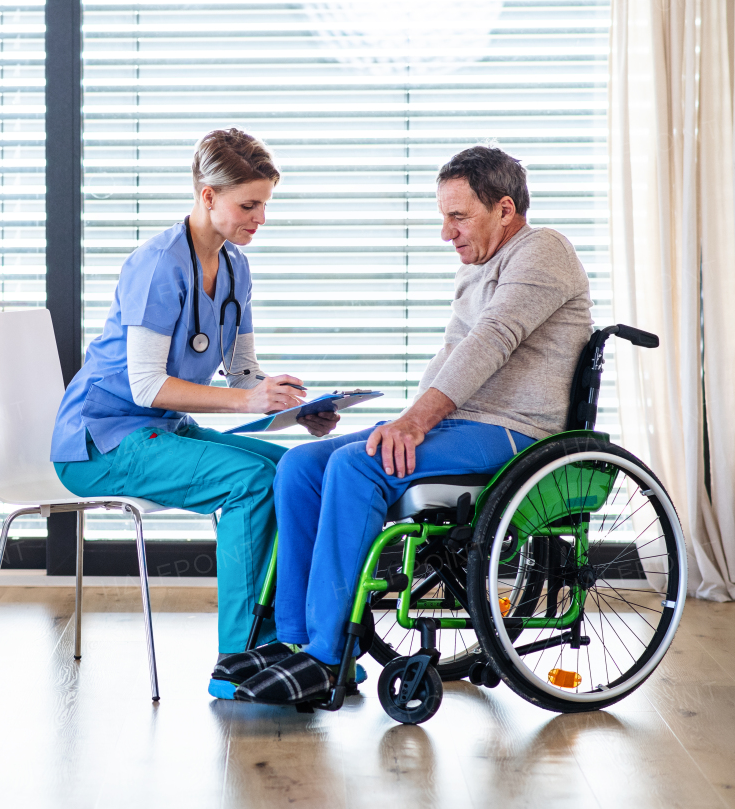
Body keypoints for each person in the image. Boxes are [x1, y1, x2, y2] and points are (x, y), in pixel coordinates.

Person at [213, 144, 594, 705]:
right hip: (461, 426)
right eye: (444, 217)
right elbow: (451, 357)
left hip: (516, 432)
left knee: (355, 466)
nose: (447, 233)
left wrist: (414, 424)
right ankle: (296, 643)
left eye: (458, 217)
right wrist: (404, 421)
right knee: (300, 466)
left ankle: (328, 655)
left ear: (506, 210)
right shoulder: (481, 267)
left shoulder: (544, 252)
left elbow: (491, 343)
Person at [51, 128, 340, 665]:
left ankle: (293, 639)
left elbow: (243, 371)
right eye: (248, 205)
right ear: (208, 196)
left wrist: (289, 405)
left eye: (264, 205)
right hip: (101, 440)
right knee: (251, 483)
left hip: (163, 430)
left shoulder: (235, 266)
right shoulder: (158, 264)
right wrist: (249, 403)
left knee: (300, 470)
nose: (259, 218)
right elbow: (146, 385)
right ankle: (242, 661)